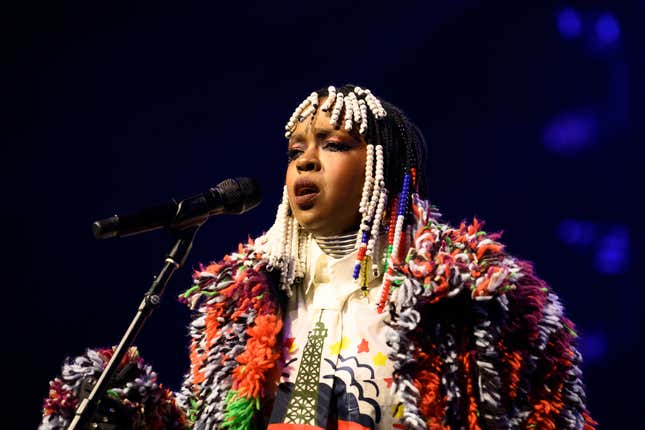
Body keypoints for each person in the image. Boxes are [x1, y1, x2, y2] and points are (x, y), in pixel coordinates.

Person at [40, 85, 596, 430]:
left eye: (333, 144)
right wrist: (125, 407)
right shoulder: (245, 299)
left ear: (384, 167)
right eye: (295, 150)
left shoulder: (474, 295)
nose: (305, 161)